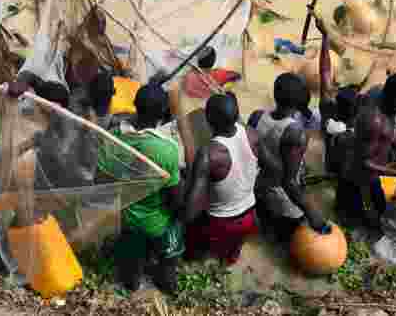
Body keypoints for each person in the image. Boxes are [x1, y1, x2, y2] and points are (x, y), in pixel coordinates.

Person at [101, 82, 184, 293]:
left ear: (135, 105)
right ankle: (167, 280)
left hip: (125, 218)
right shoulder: (167, 149)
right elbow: (173, 197)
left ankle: (132, 283)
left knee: (131, 266)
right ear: (164, 112)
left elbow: (101, 179)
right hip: (156, 223)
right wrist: (179, 215)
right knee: (174, 232)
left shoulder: (113, 138)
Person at [337, 70, 396, 231]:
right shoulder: (373, 120)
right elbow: (365, 164)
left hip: (372, 175)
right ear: (395, 98)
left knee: (381, 213)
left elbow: (389, 133)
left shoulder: (382, 97)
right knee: (364, 224)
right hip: (357, 181)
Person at [247, 64, 331, 240]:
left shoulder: (256, 116)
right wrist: (312, 213)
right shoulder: (294, 133)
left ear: (275, 94)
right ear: (300, 101)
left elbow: (254, 155)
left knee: (267, 226)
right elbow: (289, 182)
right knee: (289, 236)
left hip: (258, 189)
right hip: (281, 201)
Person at [183, 93, 268, 264]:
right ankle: (230, 258)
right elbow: (276, 169)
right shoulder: (252, 135)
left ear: (208, 121)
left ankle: (194, 257)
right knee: (233, 248)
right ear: (237, 116)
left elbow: (190, 212)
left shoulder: (208, 154)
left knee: (192, 237)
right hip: (250, 215)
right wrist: (250, 186)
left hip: (220, 222)